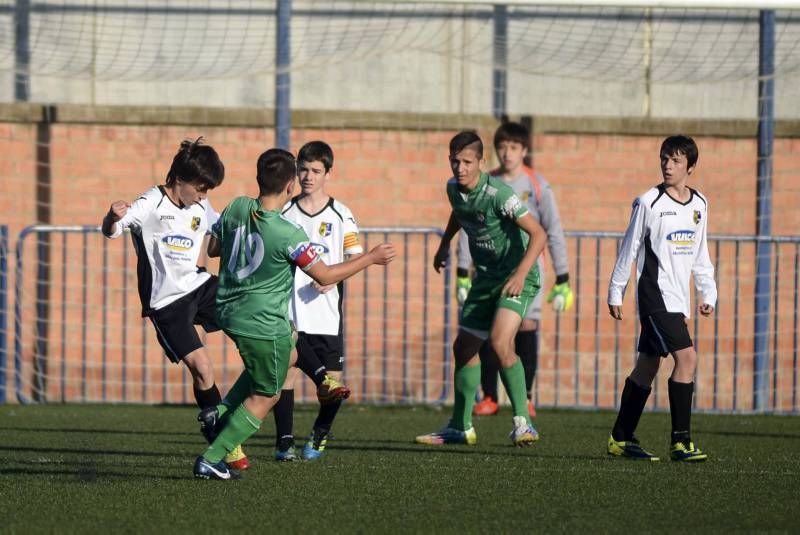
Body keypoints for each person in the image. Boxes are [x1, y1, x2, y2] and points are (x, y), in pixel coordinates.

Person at [193, 148, 395, 480]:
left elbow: (214, 248)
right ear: (290, 185)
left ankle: (221, 410)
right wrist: (371, 257)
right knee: (268, 393)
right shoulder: (288, 234)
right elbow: (326, 276)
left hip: (227, 311)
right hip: (260, 321)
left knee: (288, 354)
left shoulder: (237, 206)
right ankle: (212, 458)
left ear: (258, 178)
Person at [101, 138, 249, 470]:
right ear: (179, 179)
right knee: (203, 368)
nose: (203, 195)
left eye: (208, 190)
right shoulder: (150, 202)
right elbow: (111, 231)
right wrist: (112, 217)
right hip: (167, 302)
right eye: (200, 188)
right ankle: (219, 437)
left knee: (244, 307)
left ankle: (265, 359)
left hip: (197, 285)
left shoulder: (200, 206)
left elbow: (217, 237)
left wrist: (244, 234)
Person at [415, 130, 547, 447]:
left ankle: (522, 423)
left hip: (518, 277)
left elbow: (539, 234)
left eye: (466, 162)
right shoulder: (453, 189)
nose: (460, 168)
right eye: (454, 161)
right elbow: (460, 214)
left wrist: (520, 273)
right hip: (485, 278)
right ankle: (460, 427)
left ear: (481, 162)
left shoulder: (498, 193)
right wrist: (445, 243)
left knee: (501, 342)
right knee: (463, 348)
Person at [606, 135, 716, 462]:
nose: (668, 165)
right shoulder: (648, 203)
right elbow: (629, 249)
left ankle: (621, 438)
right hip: (654, 297)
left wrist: (707, 291)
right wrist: (616, 290)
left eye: (676, 160)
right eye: (665, 158)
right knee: (688, 358)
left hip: (677, 301)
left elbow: (700, 254)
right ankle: (680, 442)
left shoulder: (700, 205)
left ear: (690, 167)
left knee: (649, 364)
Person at [457, 121, 573, 418]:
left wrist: (563, 276)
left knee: (523, 328)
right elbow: (466, 223)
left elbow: (551, 230)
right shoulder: (482, 182)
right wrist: (461, 270)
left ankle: (526, 398)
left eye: (513, 147)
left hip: (526, 268)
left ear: (524, 150)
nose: (507, 153)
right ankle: (489, 396)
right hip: (489, 271)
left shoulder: (536, 185)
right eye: (502, 147)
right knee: (485, 333)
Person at [271, 140, 362, 461]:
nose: (308, 176)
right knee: (285, 376)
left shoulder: (341, 214)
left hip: (326, 315)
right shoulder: (285, 211)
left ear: (328, 173)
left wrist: (332, 277)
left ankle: (321, 433)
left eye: (315, 170)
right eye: (303, 169)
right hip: (290, 312)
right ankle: (284, 443)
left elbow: (354, 256)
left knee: (333, 385)